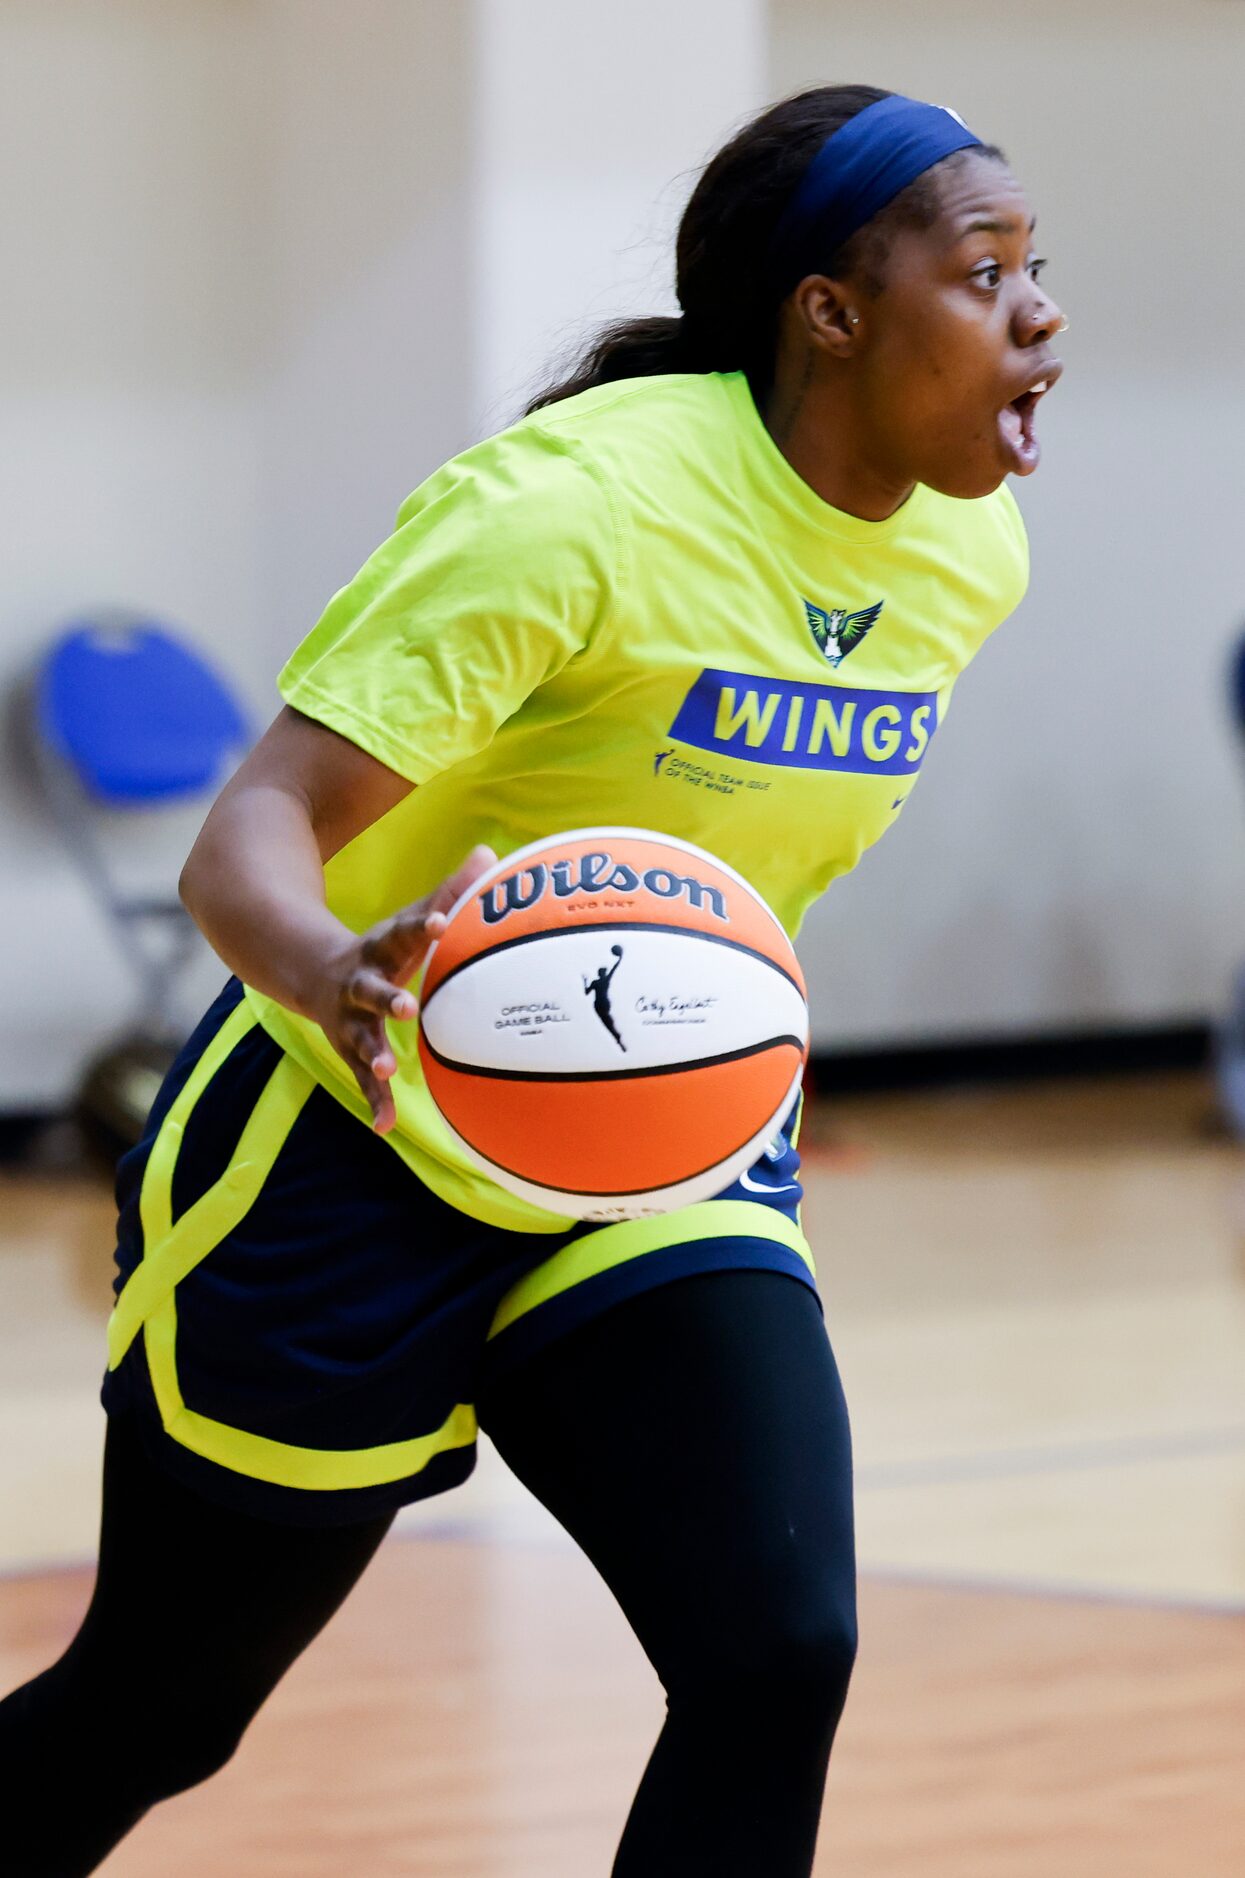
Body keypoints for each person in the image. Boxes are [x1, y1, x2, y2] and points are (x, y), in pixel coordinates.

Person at [0, 83, 1064, 1877]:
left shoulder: (969, 550)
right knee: (162, 1704)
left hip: (650, 1140)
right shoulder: (570, 509)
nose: (1038, 312)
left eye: (1042, 269)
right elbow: (243, 833)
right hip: (350, 1137)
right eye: (985, 270)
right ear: (832, 311)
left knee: (774, 1646)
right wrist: (340, 965)